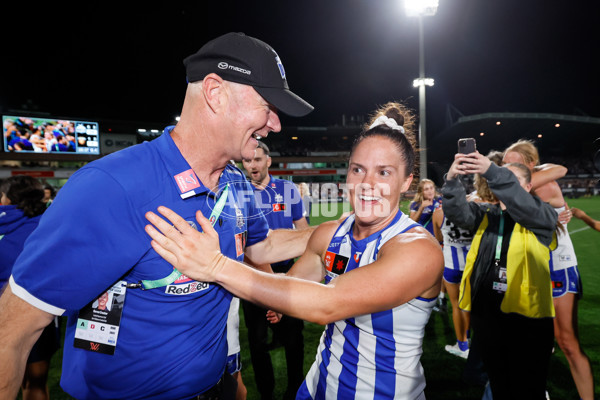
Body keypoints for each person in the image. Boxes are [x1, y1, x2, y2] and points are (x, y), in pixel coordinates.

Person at [0, 32, 316, 400]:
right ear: (215, 93)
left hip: (216, 389)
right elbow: (13, 334)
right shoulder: (111, 187)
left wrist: (344, 229)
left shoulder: (235, 181)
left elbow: (262, 248)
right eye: (268, 106)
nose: (275, 125)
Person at [145, 102, 444, 399]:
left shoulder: (418, 250)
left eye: (384, 173)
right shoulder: (332, 233)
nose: (366, 184)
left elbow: (327, 304)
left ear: (406, 182)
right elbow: (279, 270)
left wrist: (215, 266)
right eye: (358, 169)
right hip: (318, 388)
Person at [442, 151, 558, 399]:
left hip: (528, 319)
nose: (504, 182)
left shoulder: (543, 216)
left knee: (529, 387)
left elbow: (523, 205)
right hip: (489, 315)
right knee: (499, 382)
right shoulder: (488, 214)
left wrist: (494, 171)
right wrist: (452, 180)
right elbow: (457, 213)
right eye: (502, 177)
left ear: (527, 186)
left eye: (510, 178)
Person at [503, 140, 594, 400]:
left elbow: (558, 171)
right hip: (533, 268)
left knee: (566, 341)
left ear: (531, 164)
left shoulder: (544, 186)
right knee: (533, 338)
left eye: (515, 163)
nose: (509, 169)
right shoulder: (522, 186)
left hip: (558, 267)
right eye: (506, 164)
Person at [241, 141, 309, 400]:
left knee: (294, 340)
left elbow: (302, 230)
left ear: (268, 161)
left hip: (286, 275)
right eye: (247, 161)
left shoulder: (287, 189)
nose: (252, 165)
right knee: (257, 344)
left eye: (257, 159)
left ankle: (294, 391)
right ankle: (266, 393)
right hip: (252, 279)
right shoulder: (240, 194)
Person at [432, 151, 502, 360]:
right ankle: (481, 343)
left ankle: (462, 345)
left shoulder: (439, 212)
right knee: (481, 305)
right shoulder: (479, 207)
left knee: (457, 305)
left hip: (451, 264)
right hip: (475, 264)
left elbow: (438, 238)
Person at [0, 176, 60, 400]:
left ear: (7, 198)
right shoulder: (50, 227)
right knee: (35, 382)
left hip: (27, 311)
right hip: (37, 311)